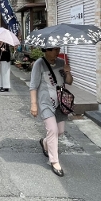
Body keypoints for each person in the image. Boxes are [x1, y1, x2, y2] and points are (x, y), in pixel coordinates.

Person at [29, 46, 73, 177]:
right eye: (54, 50)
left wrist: (68, 72)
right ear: (46, 50)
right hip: (45, 103)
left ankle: (45, 142)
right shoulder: (39, 64)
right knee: (52, 130)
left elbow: (69, 82)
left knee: (60, 131)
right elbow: (33, 86)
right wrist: (34, 105)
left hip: (60, 104)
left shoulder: (60, 62)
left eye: (58, 49)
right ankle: (54, 161)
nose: (57, 52)